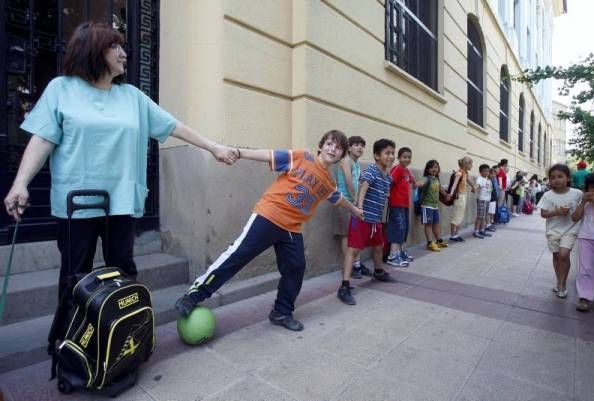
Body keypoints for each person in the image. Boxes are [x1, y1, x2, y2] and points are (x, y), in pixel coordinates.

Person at [3, 22, 238, 308]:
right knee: (75, 276)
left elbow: (174, 126)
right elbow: (43, 140)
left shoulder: (132, 97)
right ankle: (68, 342)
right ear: (93, 51)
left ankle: (124, 341)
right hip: (76, 202)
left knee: (123, 272)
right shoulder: (61, 89)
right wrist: (20, 183)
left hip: (121, 201)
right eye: (114, 46)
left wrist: (214, 147)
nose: (123, 53)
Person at [175, 130, 364, 331]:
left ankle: (281, 312)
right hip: (268, 216)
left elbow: (337, 198)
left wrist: (355, 211)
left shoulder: (328, 180)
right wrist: (238, 152)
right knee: (236, 256)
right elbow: (269, 155)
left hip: (292, 228)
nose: (332, 149)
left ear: (341, 154)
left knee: (296, 268)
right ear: (320, 146)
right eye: (329, 144)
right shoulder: (301, 157)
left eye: (338, 147)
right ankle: (193, 296)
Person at [338, 139, 399, 305]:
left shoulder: (387, 176)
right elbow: (363, 189)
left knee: (379, 246)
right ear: (376, 156)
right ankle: (344, 286)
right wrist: (359, 209)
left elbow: (384, 193)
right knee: (354, 251)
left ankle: (378, 271)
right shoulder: (371, 171)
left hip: (375, 220)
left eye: (392, 153)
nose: (391, 156)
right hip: (363, 218)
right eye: (387, 153)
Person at [538, 164, 583, 299]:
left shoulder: (577, 193)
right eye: (553, 177)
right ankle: (559, 281)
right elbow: (543, 214)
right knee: (557, 256)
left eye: (560, 176)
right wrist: (556, 212)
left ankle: (562, 284)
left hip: (570, 229)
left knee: (564, 255)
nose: (556, 180)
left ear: (568, 178)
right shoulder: (547, 195)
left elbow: (582, 209)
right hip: (553, 231)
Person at [333, 136, 371, 279]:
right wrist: (355, 199)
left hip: (353, 204)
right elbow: (349, 181)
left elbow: (359, 181)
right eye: (356, 145)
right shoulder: (345, 161)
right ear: (349, 148)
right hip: (344, 203)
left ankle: (356, 264)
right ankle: (348, 266)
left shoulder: (356, 163)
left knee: (355, 234)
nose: (360, 148)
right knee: (346, 235)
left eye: (362, 145)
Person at [386, 147, 422, 267]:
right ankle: (392, 255)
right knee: (397, 228)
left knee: (403, 229)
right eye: (404, 157)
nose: (407, 159)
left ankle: (400, 252)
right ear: (399, 158)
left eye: (409, 157)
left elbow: (413, 182)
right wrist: (387, 194)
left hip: (404, 204)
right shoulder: (397, 169)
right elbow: (390, 181)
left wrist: (418, 183)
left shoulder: (406, 171)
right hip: (396, 204)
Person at [571, 172, 594, 312]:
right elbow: (575, 218)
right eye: (592, 186)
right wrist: (583, 202)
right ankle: (585, 296)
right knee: (586, 268)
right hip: (585, 238)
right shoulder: (584, 201)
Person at [418, 160, 451, 252]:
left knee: (436, 224)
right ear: (428, 169)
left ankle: (438, 241)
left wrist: (446, 195)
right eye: (431, 167)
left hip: (435, 206)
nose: (434, 169)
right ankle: (429, 243)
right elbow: (421, 182)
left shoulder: (436, 179)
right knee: (428, 224)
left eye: (436, 167)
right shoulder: (426, 178)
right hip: (426, 206)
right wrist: (416, 183)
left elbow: (440, 190)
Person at [449, 156, 475, 242]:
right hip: (459, 196)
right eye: (471, 164)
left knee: (460, 216)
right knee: (456, 216)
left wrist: (473, 186)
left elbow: (468, 180)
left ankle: (456, 234)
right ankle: (453, 235)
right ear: (466, 164)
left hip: (463, 196)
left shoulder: (465, 173)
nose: (472, 166)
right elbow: (454, 185)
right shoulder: (459, 173)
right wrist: (451, 194)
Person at [473, 164, 493, 238]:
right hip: (482, 200)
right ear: (480, 172)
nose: (486, 173)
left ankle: (482, 230)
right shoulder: (480, 178)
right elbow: (477, 185)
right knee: (480, 216)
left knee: (484, 216)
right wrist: (475, 188)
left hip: (487, 200)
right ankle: (476, 231)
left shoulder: (488, 180)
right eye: (484, 171)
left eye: (487, 171)